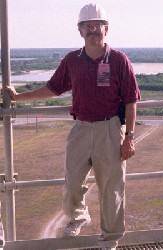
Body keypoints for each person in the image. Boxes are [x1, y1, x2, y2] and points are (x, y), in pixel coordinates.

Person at [4, 3, 140, 250]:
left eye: (97, 26)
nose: (93, 30)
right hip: (80, 129)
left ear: (106, 30)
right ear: (80, 31)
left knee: (112, 189)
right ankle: (78, 216)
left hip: (109, 130)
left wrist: (129, 137)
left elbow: (131, 101)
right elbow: (52, 88)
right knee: (71, 184)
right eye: (87, 26)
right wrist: (18, 97)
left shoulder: (119, 60)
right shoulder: (72, 60)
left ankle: (110, 240)